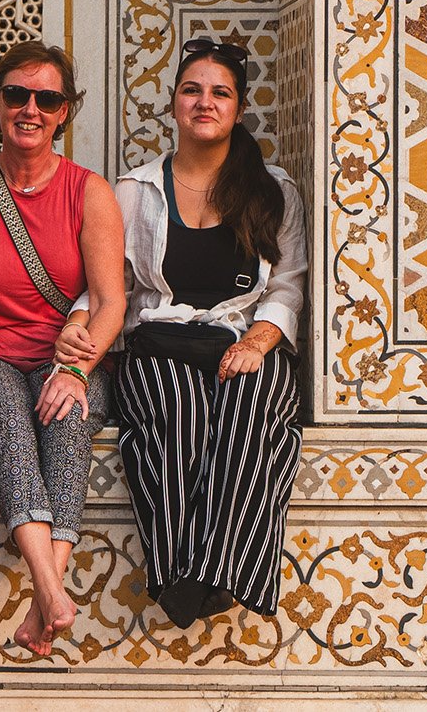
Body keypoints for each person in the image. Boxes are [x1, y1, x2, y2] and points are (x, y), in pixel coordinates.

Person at [111, 37, 308, 629]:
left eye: (220, 93)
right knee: (178, 417)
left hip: (244, 343)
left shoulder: (274, 191)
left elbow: (287, 286)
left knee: (253, 406)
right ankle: (199, 573)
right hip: (159, 345)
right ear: (173, 103)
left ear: (240, 108)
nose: (205, 102)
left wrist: (256, 343)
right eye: (191, 90)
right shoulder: (135, 190)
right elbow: (110, 284)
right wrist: (78, 334)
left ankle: (201, 574)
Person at [0, 41, 126, 657]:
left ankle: (43, 597)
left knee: (68, 418)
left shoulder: (88, 191)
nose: (31, 109)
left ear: (64, 113)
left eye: (47, 99)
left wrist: (76, 370)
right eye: (17, 95)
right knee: (8, 418)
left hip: (69, 356)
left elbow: (111, 301)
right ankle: (52, 589)